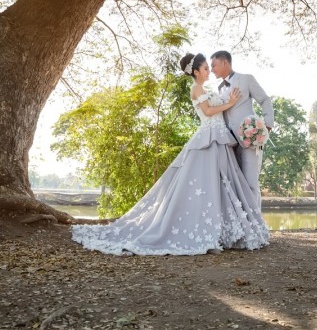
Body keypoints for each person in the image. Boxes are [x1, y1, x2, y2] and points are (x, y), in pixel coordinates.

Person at [70, 53, 269, 255]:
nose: (210, 70)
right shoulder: (197, 88)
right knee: (207, 185)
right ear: (197, 71)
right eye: (206, 68)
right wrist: (231, 102)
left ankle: (222, 231)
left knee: (222, 185)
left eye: (212, 67)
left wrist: (253, 120)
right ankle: (206, 234)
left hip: (221, 139)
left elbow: (225, 111)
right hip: (209, 139)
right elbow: (209, 112)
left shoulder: (214, 87)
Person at [210, 50, 274, 210]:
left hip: (250, 139)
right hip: (229, 143)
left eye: (214, 65)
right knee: (236, 185)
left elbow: (265, 100)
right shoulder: (219, 88)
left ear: (225, 62)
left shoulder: (246, 79)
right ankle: (244, 226)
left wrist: (266, 126)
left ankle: (257, 227)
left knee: (251, 182)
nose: (211, 69)